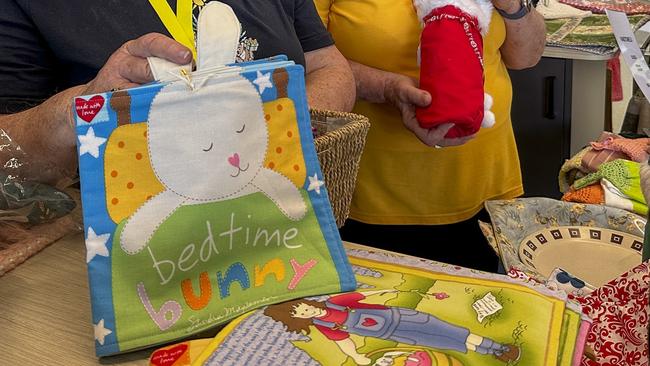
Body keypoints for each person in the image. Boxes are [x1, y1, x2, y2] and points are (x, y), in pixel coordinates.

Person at [0, 0, 355, 186]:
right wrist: (83, 107)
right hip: (134, 252)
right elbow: (6, 153)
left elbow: (328, 66)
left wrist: (274, 134)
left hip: (282, 226)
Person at [313, 0, 546, 272]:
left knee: (474, 304)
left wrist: (512, 6)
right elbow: (306, 61)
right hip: (375, 194)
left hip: (482, 183)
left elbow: (527, 57)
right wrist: (387, 88)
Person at [264, 290, 521, 365]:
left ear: (307, 302)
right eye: (302, 314)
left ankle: (499, 347)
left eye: (304, 306)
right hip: (396, 333)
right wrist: (356, 356)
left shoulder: (335, 303)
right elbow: (343, 341)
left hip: (402, 317)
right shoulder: (325, 325)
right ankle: (491, 352)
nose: (308, 311)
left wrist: (386, 290)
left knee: (450, 330)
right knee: (443, 342)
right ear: (302, 319)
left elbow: (362, 295)